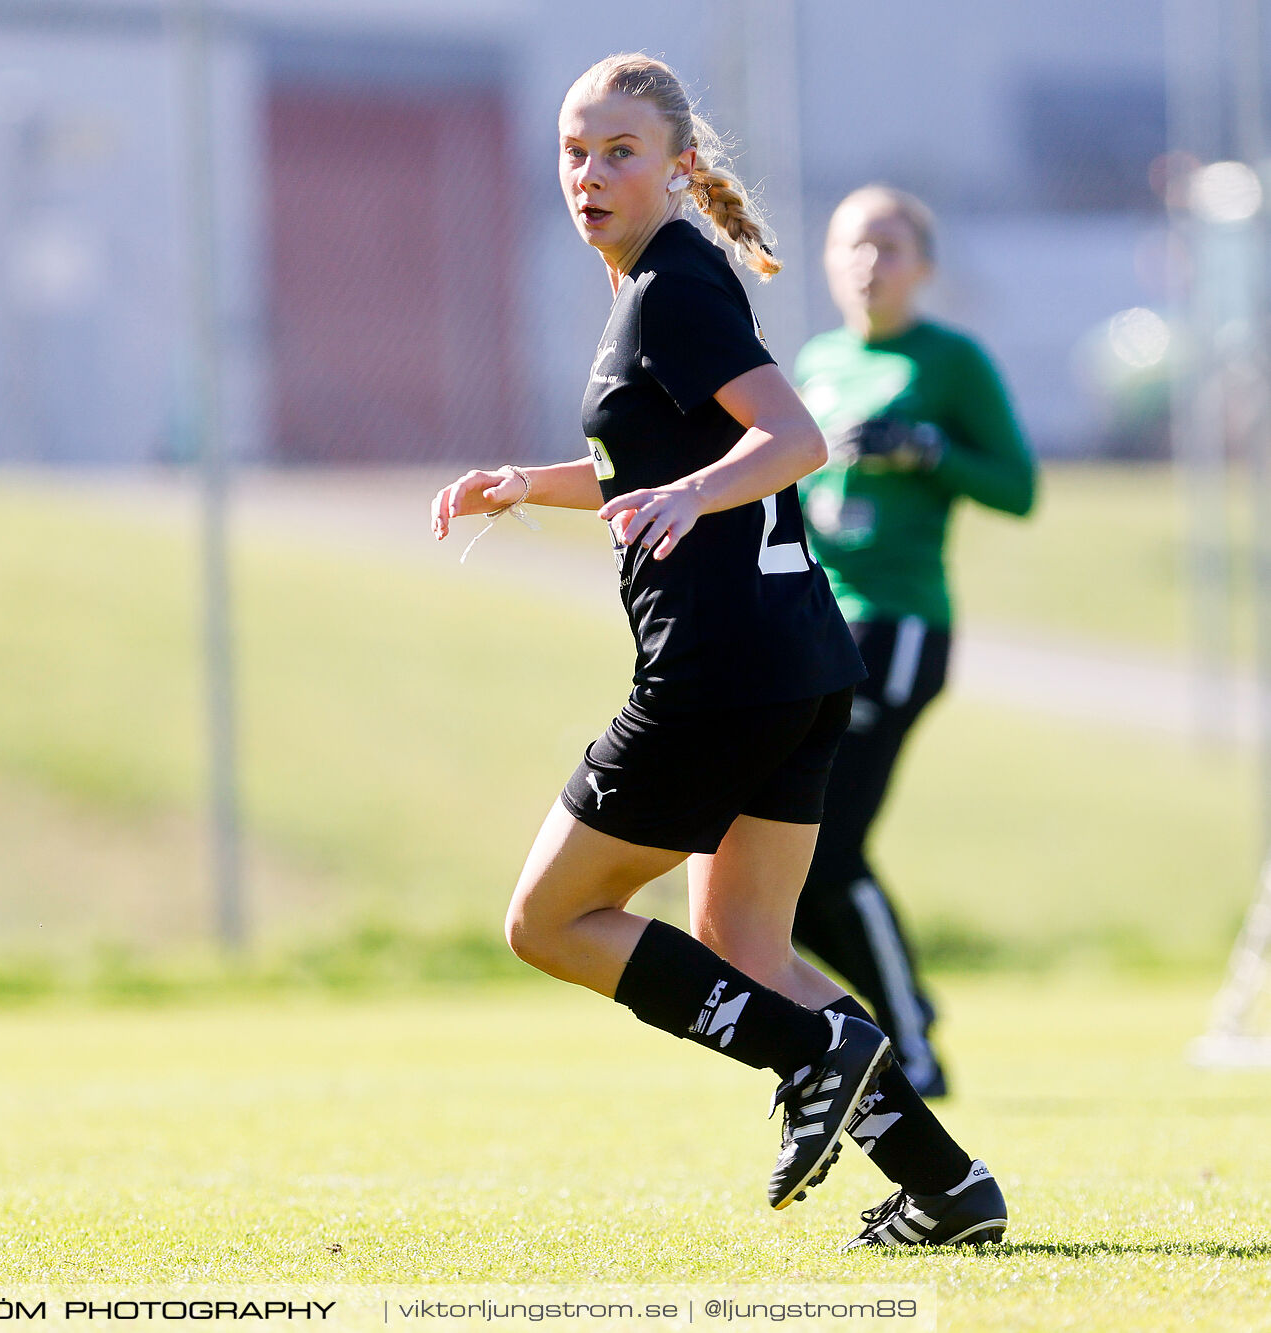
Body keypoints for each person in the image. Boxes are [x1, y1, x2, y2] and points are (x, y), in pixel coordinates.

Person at [430, 54, 1007, 1249]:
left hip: (717, 676)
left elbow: (794, 438)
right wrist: (523, 487)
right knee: (745, 948)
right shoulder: (663, 284)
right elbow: (645, 472)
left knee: (547, 922)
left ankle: (815, 1051)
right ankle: (949, 1185)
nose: (589, 174)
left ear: (680, 167)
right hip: (798, 667)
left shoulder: (671, 288)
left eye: (619, 152)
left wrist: (694, 495)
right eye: (574, 151)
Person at [792, 187, 1039, 1099]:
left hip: (896, 630)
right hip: (815, 630)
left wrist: (927, 449)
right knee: (778, 856)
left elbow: (1018, 487)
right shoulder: (815, 362)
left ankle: (910, 1042)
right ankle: (903, 1015)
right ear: (826, 261)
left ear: (923, 267)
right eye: (853, 245)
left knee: (829, 847)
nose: (869, 263)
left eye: (890, 247)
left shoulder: (950, 360)